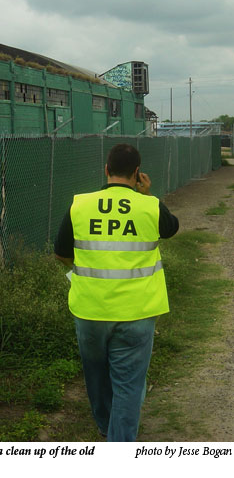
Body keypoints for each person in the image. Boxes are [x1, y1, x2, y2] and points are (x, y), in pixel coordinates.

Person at [54, 143, 179, 442]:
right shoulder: (149, 205)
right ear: (137, 174)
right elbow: (171, 228)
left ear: (106, 170)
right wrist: (146, 195)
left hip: (90, 309)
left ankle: (104, 426)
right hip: (138, 311)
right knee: (129, 385)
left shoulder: (80, 205)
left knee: (96, 376)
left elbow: (61, 254)